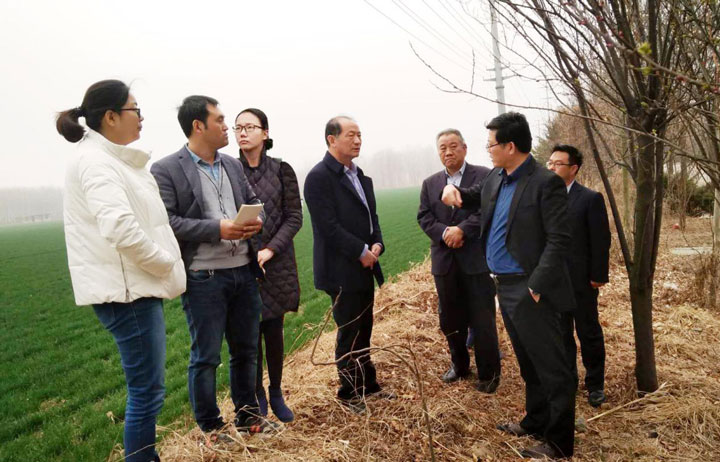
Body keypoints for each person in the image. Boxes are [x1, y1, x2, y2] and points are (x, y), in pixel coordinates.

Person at [57, 79, 186, 462]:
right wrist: (165, 262)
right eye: (135, 109)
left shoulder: (110, 159)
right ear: (111, 117)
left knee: (147, 389)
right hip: (127, 292)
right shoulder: (96, 162)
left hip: (131, 287)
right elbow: (120, 229)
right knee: (147, 392)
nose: (141, 117)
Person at [442, 112, 577, 460]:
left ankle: (559, 443)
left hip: (531, 289)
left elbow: (559, 240)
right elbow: (474, 196)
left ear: (510, 146)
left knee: (552, 366)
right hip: (503, 286)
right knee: (528, 360)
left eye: (491, 144)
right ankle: (536, 420)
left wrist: (537, 285)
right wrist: (455, 192)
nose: (488, 150)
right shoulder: (496, 178)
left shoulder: (544, 183)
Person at [151, 96, 273, 438]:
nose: (227, 127)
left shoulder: (232, 165)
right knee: (206, 356)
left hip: (244, 271)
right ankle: (210, 427)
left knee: (246, 351)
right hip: (204, 277)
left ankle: (248, 418)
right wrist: (217, 228)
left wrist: (257, 221)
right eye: (220, 120)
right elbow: (168, 222)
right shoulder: (166, 169)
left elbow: (254, 204)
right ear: (198, 126)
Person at [303, 116, 392, 412]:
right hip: (341, 269)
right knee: (349, 332)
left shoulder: (358, 174)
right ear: (332, 139)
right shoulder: (319, 177)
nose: (357, 141)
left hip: (365, 265)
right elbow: (328, 227)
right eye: (351, 135)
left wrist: (377, 243)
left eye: (359, 135)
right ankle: (350, 393)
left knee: (364, 329)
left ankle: (369, 385)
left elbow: (371, 217)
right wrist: (360, 251)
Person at [417, 128, 501, 392]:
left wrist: (462, 230)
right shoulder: (430, 183)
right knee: (450, 320)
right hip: (445, 262)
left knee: (482, 319)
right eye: (443, 148)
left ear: (465, 148)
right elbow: (424, 217)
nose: (448, 152)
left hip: (476, 260)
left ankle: (488, 374)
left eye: (453, 146)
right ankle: (460, 365)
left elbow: (488, 211)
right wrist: (445, 233)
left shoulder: (485, 176)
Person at [235, 108, 302, 422]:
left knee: (274, 329)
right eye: (238, 127)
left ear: (265, 133)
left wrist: (271, 250)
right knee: (249, 334)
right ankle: (257, 394)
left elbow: (294, 217)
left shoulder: (281, 170)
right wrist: (252, 253)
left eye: (250, 127)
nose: (243, 132)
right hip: (242, 262)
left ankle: (276, 392)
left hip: (276, 262)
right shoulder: (229, 170)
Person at [547, 144, 610, 407]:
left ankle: (595, 385)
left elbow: (601, 239)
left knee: (588, 332)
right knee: (561, 334)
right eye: (549, 163)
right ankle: (568, 381)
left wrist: (598, 275)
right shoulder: (545, 197)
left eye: (557, 163)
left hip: (582, 280)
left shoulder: (589, 198)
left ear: (573, 168)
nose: (551, 167)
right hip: (554, 281)